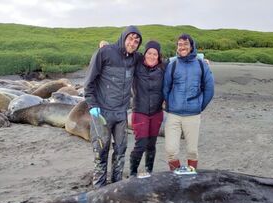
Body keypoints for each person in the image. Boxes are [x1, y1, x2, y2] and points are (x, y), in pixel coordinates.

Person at [84, 26, 142, 188]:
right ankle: (99, 188)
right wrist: (92, 105)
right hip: (102, 113)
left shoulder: (135, 58)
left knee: (121, 149)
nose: (133, 43)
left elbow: (154, 60)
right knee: (101, 151)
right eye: (130, 39)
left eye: (136, 41)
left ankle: (117, 186)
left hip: (121, 113)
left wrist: (197, 59)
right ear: (123, 37)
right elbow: (89, 82)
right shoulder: (105, 53)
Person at [163, 34, 214, 171]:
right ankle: (176, 176)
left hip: (193, 115)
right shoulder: (172, 65)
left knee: (192, 151)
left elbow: (209, 89)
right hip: (174, 115)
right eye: (180, 44)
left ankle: (190, 178)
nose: (182, 47)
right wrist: (171, 104)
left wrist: (199, 106)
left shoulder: (201, 65)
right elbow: (165, 87)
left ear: (192, 46)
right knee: (171, 151)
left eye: (185, 44)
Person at [129, 41, 165, 177]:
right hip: (140, 111)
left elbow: (179, 60)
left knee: (151, 144)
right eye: (149, 53)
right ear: (144, 54)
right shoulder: (137, 64)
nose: (152, 56)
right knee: (141, 144)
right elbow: (125, 52)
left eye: (155, 54)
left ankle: (149, 171)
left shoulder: (163, 67)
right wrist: (105, 46)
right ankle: (133, 173)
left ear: (158, 56)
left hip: (156, 112)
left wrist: (201, 59)